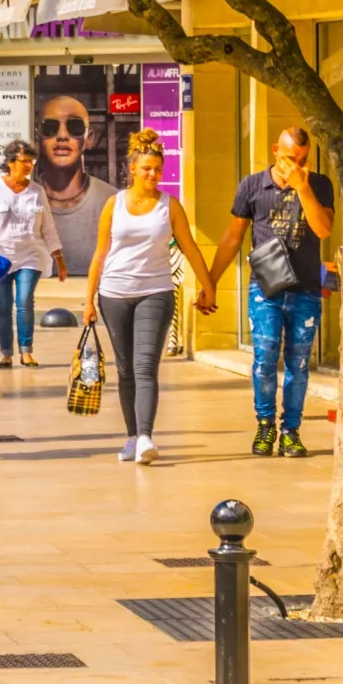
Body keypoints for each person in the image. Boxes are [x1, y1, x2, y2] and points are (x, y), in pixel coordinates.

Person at [85, 128, 214, 466]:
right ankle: (131, 437)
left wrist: (209, 285)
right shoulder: (114, 205)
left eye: (158, 169)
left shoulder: (170, 206)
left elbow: (190, 248)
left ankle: (145, 437)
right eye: (146, 169)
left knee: (145, 366)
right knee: (125, 369)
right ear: (132, 169)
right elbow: (100, 253)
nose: (153, 175)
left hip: (155, 292)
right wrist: (88, 301)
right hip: (113, 294)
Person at [204, 125, 335, 458]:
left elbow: (322, 229)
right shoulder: (252, 186)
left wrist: (303, 188)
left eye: (304, 159)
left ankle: (291, 430)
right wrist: (211, 282)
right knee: (264, 360)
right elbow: (233, 238)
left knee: (299, 363)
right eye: (292, 158)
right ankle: (265, 426)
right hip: (266, 289)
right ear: (276, 150)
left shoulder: (318, 184)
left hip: (305, 288)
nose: (297, 165)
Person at [0, 138, 66, 367]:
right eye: (23, 161)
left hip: (30, 256)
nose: (27, 166)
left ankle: (26, 351)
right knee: (3, 306)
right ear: (10, 162)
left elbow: (48, 226)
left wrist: (59, 260)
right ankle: (6, 353)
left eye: (31, 161)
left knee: (24, 301)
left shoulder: (37, 192)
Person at [35, 91, 113, 275]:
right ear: (38, 136)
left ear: (89, 139)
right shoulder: (21, 200)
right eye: (50, 127)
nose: (62, 135)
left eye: (75, 127)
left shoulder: (113, 202)